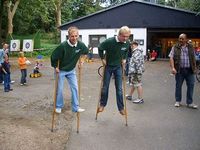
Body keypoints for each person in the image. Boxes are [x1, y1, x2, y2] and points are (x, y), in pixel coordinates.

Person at [51, 26, 88, 114]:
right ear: (69, 36)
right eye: (72, 36)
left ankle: (75, 107)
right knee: (59, 89)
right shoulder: (62, 46)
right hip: (61, 70)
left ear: (78, 35)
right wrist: (55, 66)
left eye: (76, 36)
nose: (74, 38)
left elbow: (85, 53)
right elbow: (53, 56)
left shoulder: (80, 45)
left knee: (75, 88)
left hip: (71, 70)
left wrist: (82, 61)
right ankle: (59, 106)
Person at [97, 26, 131, 115]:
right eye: (124, 36)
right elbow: (100, 47)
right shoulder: (109, 41)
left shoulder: (127, 43)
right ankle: (102, 104)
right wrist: (102, 58)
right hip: (108, 66)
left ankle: (121, 108)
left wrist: (124, 58)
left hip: (118, 67)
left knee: (119, 89)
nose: (126, 38)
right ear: (119, 35)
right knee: (105, 87)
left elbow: (127, 51)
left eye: (127, 36)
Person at [169, 33, 198, 109]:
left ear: (186, 39)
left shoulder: (191, 47)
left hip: (190, 70)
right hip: (179, 70)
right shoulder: (175, 47)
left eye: (182, 38)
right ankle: (178, 101)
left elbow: (194, 58)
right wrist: (173, 68)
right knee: (178, 86)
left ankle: (190, 102)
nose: (181, 40)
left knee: (191, 86)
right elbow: (171, 57)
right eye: (180, 38)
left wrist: (195, 68)